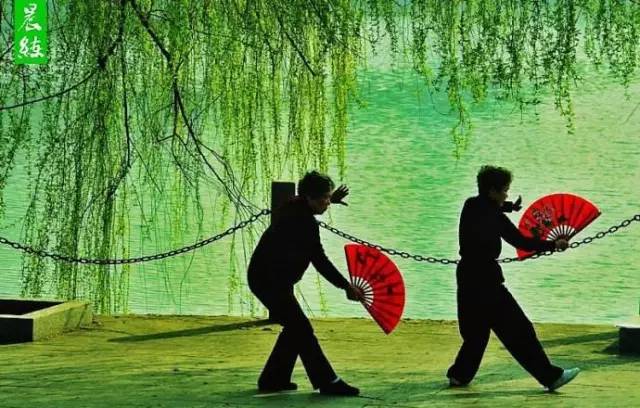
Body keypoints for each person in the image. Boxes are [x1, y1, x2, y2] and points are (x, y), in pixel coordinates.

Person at [446, 165, 580, 392]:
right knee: (520, 330)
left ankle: (459, 375)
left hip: (467, 276)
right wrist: (553, 245)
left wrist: (508, 207)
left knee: (476, 333)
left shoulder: (471, 206)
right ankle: (550, 377)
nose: (506, 195)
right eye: (504, 191)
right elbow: (521, 241)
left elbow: (487, 208)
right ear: (492, 191)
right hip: (487, 282)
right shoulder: (495, 216)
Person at [248, 170, 365, 396]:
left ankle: (273, 378)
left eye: (328, 197)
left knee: (295, 328)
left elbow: (302, 203)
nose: (327, 203)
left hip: (269, 278)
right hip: (269, 281)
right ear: (309, 198)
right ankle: (328, 381)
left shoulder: (295, 207)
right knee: (301, 328)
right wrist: (346, 286)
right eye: (324, 198)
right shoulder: (303, 222)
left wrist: (331, 199)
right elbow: (319, 260)